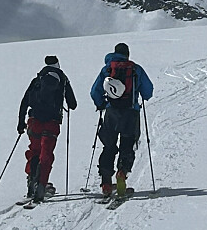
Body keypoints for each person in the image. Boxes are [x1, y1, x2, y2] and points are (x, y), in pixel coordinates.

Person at [90, 42, 153, 197]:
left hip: (111, 112)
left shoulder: (107, 69)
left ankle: (105, 182)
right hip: (130, 113)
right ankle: (122, 173)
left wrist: (102, 104)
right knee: (127, 144)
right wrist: (142, 96)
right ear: (127, 54)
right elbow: (148, 90)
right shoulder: (136, 69)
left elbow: (94, 91)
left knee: (108, 146)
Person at [18, 55, 77, 202]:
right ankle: (41, 186)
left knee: (34, 151)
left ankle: (32, 181)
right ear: (58, 64)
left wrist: (20, 123)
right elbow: (73, 104)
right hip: (51, 122)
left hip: (34, 121)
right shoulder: (62, 79)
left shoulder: (37, 80)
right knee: (46, 154)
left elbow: (25, 101)